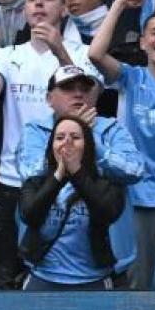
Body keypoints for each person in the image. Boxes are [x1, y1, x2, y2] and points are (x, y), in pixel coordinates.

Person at [0, 0, 100, 288]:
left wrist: (60, 51)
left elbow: (88, 100)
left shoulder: (82, 53)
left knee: (57, 273)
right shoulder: (8, 55)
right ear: (24, 11)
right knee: (7, 274)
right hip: (12, 180)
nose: (39, 4)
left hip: (65, 179)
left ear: (63, 9)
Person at [16, 62, 144, 287]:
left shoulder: (112, 129)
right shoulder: (34, 130)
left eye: (84, 89)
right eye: (67, 88)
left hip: (103, 268)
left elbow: (134, 170)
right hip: (44, 268)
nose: (78, 94)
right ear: (49, 99)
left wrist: (89, 137)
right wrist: (71, 138)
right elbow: (31, 172)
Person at [87, 0, 155, 291]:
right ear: (143, 42)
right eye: (154, 32)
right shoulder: (132, 78)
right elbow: (95, 54)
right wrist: (119, 4)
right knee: (137, 282)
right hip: (136, 197)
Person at [19, 116, 126, 290]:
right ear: (51, 146)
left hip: (93, 281)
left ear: (88, 146)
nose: (67, 142)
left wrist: (77, 172)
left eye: (75, 138)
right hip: (43, 279)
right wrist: (57, 178)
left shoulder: (105, 182)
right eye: (60, 138)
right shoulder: (36, 181)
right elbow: (29, 215)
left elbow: (108, 213)